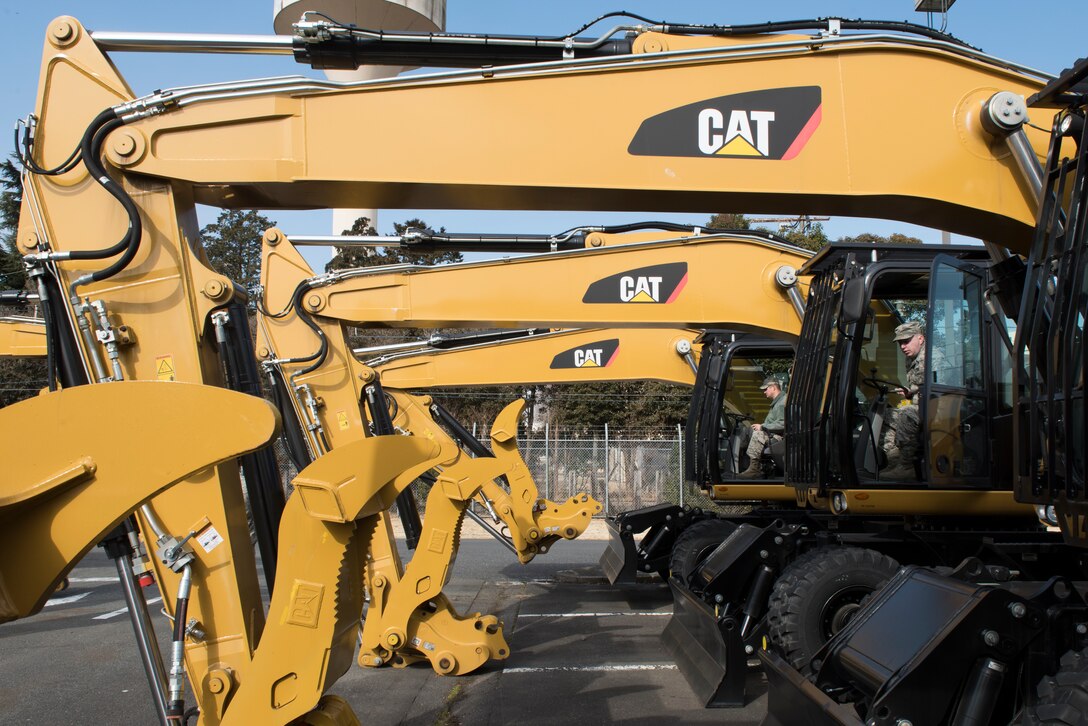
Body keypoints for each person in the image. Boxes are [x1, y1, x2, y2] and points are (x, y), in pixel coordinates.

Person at [882, 320, 927, 479]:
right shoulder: (911, 358)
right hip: (920, 405)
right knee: (886, 415)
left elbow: (934, 387)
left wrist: (912, 390)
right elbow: (918, 385)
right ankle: (894, 462)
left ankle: (906, 467)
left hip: (935, 408)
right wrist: (909, 392)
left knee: (907, 415)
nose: (902, 346)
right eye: (900, 343)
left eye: (906, 341)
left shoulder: (931, 358)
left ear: (920, 339)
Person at [739, 375, 786, 478]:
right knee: (748, 430)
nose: (764, 392)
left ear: (773, 387)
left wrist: (763, 427)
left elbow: (783, 424)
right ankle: (744, 464)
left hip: (778, 437)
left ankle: (754, 468)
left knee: (757, 434)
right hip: (773, 434)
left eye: (765, 389)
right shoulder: (777, 403)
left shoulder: (782, 403)